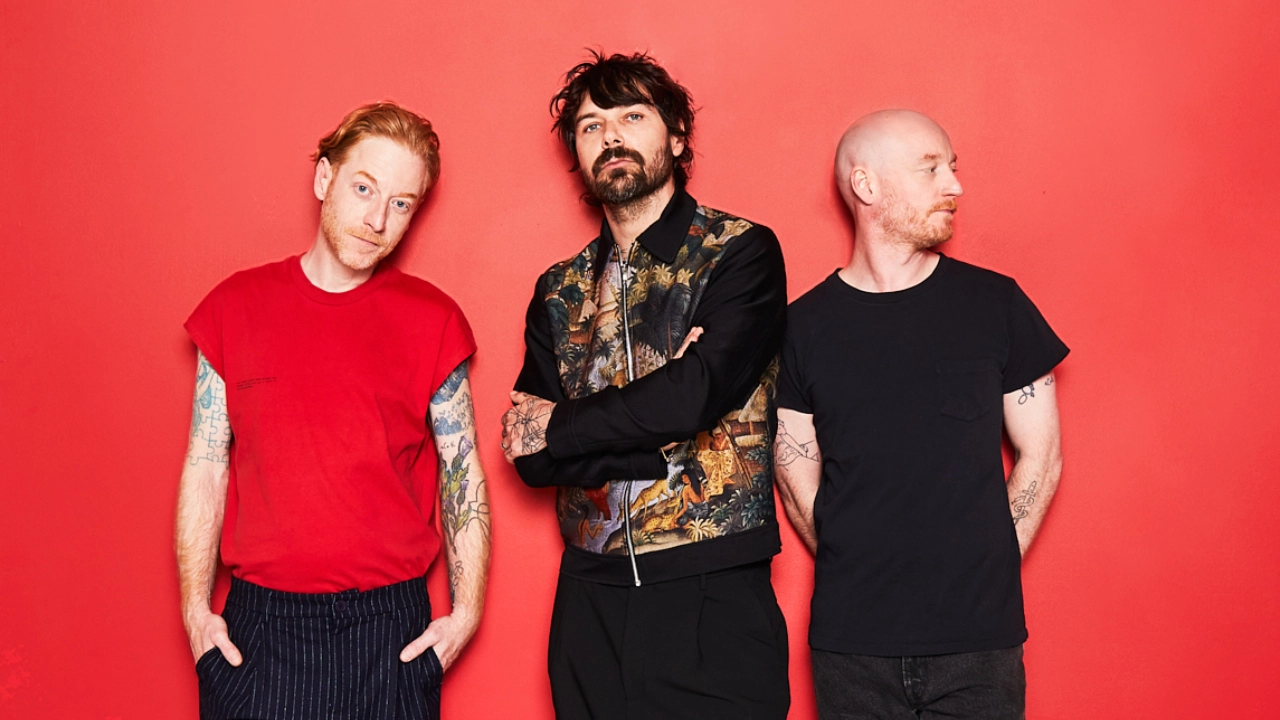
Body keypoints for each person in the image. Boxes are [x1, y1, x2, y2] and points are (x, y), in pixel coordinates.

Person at [175, 102, 490, 720]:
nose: (377, 219)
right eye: (364, 188)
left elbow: (462, 468)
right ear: (325, 178)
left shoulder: (434, 320)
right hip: (259, 632)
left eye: (401, 203)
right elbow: (205, 463)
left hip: (390, 633)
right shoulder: (235, 307)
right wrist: (194, 613)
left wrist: (466, 614)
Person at [501, 51, 790, 719]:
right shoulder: (560, 289)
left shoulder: (737, 251)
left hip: (712, 590)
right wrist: (660, 429)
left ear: (677, 137)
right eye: (591, 126)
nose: (611, 137)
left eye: (632, 117)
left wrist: (566, 426)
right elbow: (532, 459)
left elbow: (695, 396)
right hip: (588, 603)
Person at [774, 109, 1068, 719]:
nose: (954, 185)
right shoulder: (801, 327)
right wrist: (858, 563)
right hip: (851, 647)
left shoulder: (996, 303)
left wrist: (986, 566)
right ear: (866, 185)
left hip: (979, 644)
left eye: (952, 168)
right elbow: (794, 471)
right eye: (930, 169)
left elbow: (1042, 455)